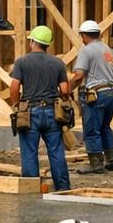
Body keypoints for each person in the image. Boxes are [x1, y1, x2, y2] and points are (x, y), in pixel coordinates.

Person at [9, 26, 71, 192]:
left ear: (32, 42)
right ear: (47, 44)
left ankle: (30, 189)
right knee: (56, 152)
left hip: (30, 113)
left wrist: (16, 105)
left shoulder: (22, 62)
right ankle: (63, 189)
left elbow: (14, 88)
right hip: (52, 112)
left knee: (29, 152)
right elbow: (65, 90)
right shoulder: (58, 63)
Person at [68, 20, 113, 173]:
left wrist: (66, 90)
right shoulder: (108, 50)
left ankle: (96, 164)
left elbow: (79, 75)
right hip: (112, 94)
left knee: (92, 130)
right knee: (105, 127)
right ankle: (112, 161)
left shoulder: (87, 51)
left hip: (97, 94)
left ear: (84, 35)